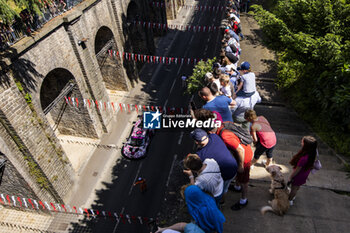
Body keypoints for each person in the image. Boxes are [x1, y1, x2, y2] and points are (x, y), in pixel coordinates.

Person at [213, 123, 253, 210]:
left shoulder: (225, 135)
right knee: (238, 173)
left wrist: (241, 165)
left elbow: (240, 150)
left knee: (244, 180)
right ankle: (237, 187)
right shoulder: (224, 124)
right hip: (240, 152)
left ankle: (244, 200)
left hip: (244, 156)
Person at [190, 129, 238, 199]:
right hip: (233, 166)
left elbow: (201, 169)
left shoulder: (201, 155)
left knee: (220, 190)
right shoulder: (214, 136)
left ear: (196, 142)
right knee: (226, 187)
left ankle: (221, 202)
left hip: (225, 174)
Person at [288, 136, 317, 206]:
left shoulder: (303, 158)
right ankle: (293, 196)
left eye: (302, 142)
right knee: (297, 186)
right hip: (305, 173)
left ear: (306, 146)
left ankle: (290, 200)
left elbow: (297, 170)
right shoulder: (313, 153)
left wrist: (290, 177)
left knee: (294, 188)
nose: (301, 142)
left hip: (299, 175)